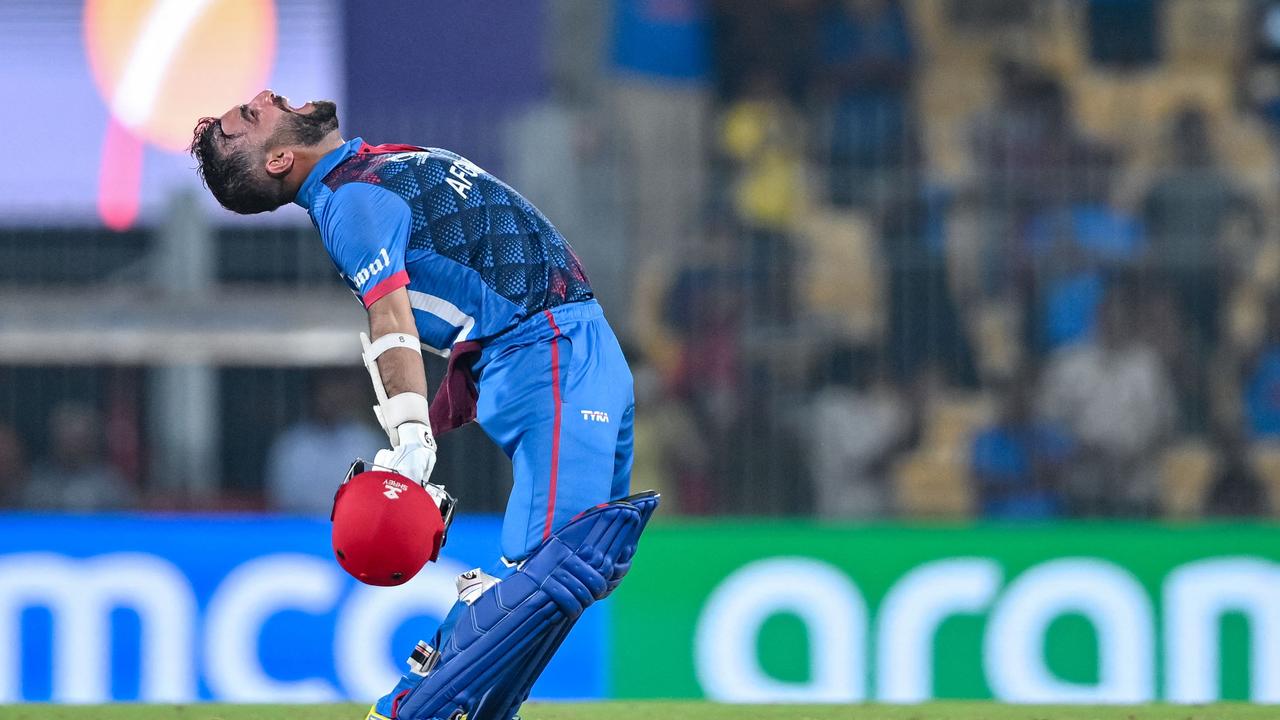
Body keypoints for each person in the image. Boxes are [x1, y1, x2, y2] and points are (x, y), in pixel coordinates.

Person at [190, 90, 650, 720]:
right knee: (564, 555)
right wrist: (410, 436)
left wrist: (457, 374)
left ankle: (478, 709)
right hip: (547, 348)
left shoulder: (360, 170)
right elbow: (390, 317)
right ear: (278, 160)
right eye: (249, 118)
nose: (263, 98)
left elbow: (454, 287)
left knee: (595, 560)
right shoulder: (349, 203)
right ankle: (405, 710)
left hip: (575, 342)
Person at [264, 369, 384, 515]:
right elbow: (280, 503)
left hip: (353, 528)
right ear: (313, 394)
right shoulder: (291, 446)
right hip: (302, 531)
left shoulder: (367, 442)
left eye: (338, 389)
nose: (331, 397)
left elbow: (377, 500)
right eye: (325, 390)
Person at [25, 402, 137, 511]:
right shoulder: (37, 482)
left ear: (92, 440)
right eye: (66, 437)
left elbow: (126, 517)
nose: (72, 444)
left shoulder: (110, 483)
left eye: (78, 439)